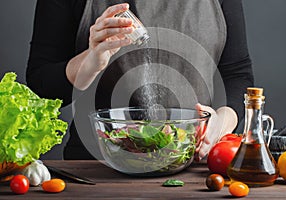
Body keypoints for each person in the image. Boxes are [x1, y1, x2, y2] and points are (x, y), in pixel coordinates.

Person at [26, 0, 253, 160]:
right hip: (97, 168)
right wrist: (91, 61)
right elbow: (42, 83)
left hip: (192, 165)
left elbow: (237, 74)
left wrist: (220, 124)